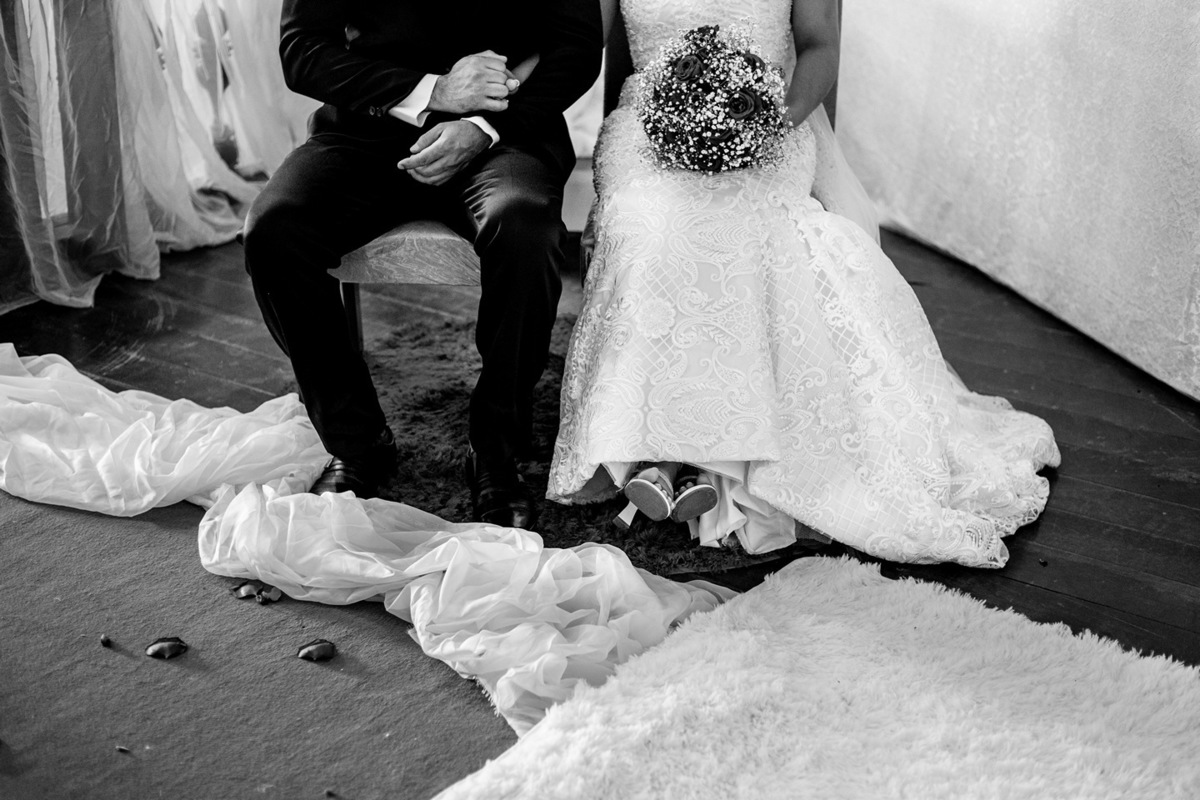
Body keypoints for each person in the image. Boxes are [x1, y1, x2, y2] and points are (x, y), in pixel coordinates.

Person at [548, 0, 1061, 568]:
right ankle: (662, 454)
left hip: (770, 122)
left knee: (739, 226)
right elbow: (593, 48)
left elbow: (820, 46)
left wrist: (768, 122)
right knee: (652, 224)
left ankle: (695, 465)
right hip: (649, 131)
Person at [243, 1, 603, 529]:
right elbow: (303, 53)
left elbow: (575, 48)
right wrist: (431, 91)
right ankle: (358, 441)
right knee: (274, 232)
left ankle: (495, 453)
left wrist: (482, 125)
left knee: (525, 228)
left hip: (505, 137)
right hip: (363, 135)